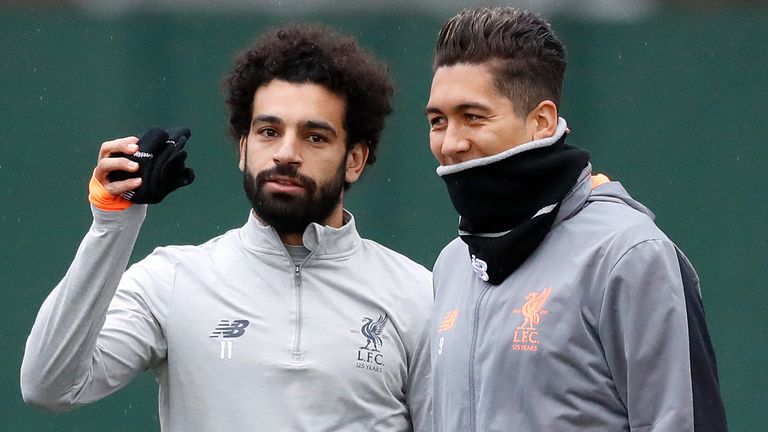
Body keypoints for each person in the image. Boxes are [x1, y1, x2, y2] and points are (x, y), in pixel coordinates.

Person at [21, 24, 432, 432]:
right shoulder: (172, 280)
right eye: (269, 132)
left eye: (315, 137)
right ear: (244, 148)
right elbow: (50, 386)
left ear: (355, 160)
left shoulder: (418, 295)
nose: (286, 153)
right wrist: (113, 222)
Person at [425, 7, 727, 431]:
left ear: (542, 122)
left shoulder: (630, 256)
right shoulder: (451, 264)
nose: (451, 142)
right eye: (438, 121)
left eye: (473, 116)